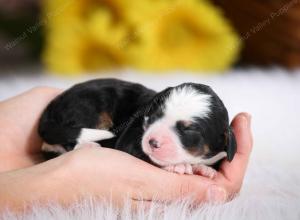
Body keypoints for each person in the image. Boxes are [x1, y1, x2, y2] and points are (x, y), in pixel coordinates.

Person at [0, 87, 253, 212]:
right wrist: (48, 180)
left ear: (225, 143)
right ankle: (64, 140)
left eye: (187, 132)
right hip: (80, 107)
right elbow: (128, 149)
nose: (154, 138)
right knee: (92, 116)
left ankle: (61, 142)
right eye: (155, 118)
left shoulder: (217, 147)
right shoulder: (139, 130)